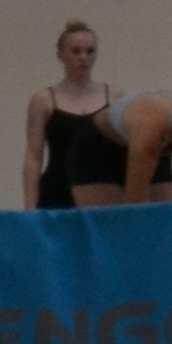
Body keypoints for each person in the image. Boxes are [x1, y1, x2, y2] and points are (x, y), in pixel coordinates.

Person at [38, 77, 172, 211]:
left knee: (162, 231)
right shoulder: (151, 130)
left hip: (154, 151)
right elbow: (135, 210)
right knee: (114, 234)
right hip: (97, 151)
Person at [21, 21, 119, 208]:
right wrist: (30, 208)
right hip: (57, 192)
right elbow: (33, 156)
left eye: (90, 51)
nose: (83, 57)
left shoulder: (114, 97)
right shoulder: (43, 100)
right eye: (76, 51)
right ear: (61, 55)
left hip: (102, 192)